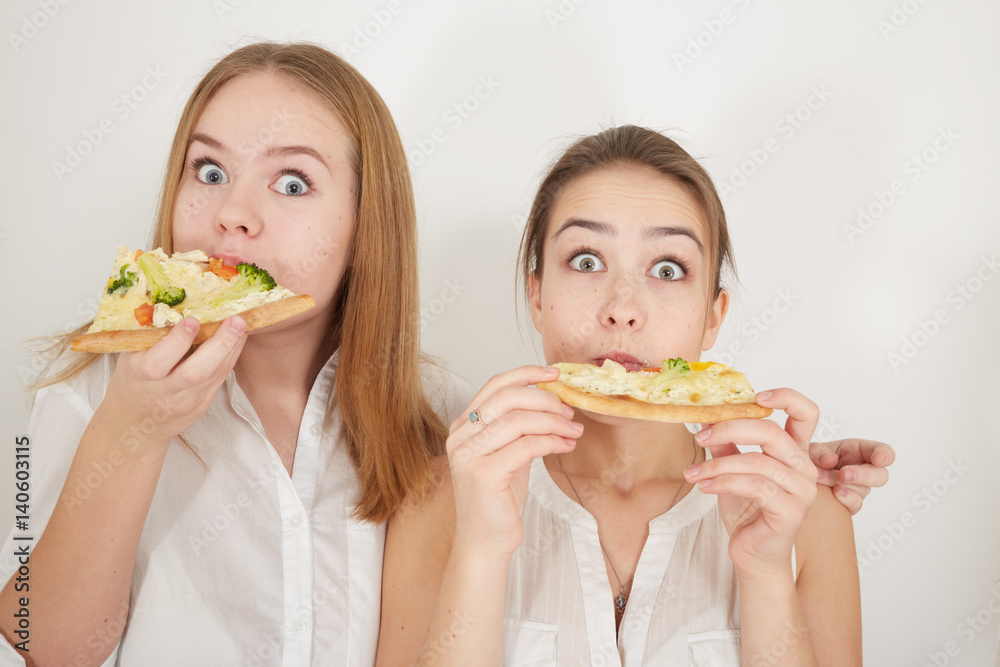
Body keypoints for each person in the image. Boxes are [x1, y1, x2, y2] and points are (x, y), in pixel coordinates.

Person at [0, 43, 459, 667]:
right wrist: (129, 436)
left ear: (364, 229)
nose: (231, 215)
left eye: (292, 183)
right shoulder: (84, 393)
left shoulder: (445, 422)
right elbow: (35, 644)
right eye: (209, 172)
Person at [378, 126, 865, 665]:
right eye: (587, 261)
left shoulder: (808, 519)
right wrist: (481, 552)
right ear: (536, 295)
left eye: (667, 269)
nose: (623, 307)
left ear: (713, 317)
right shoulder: (437, 500)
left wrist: (765, 573)